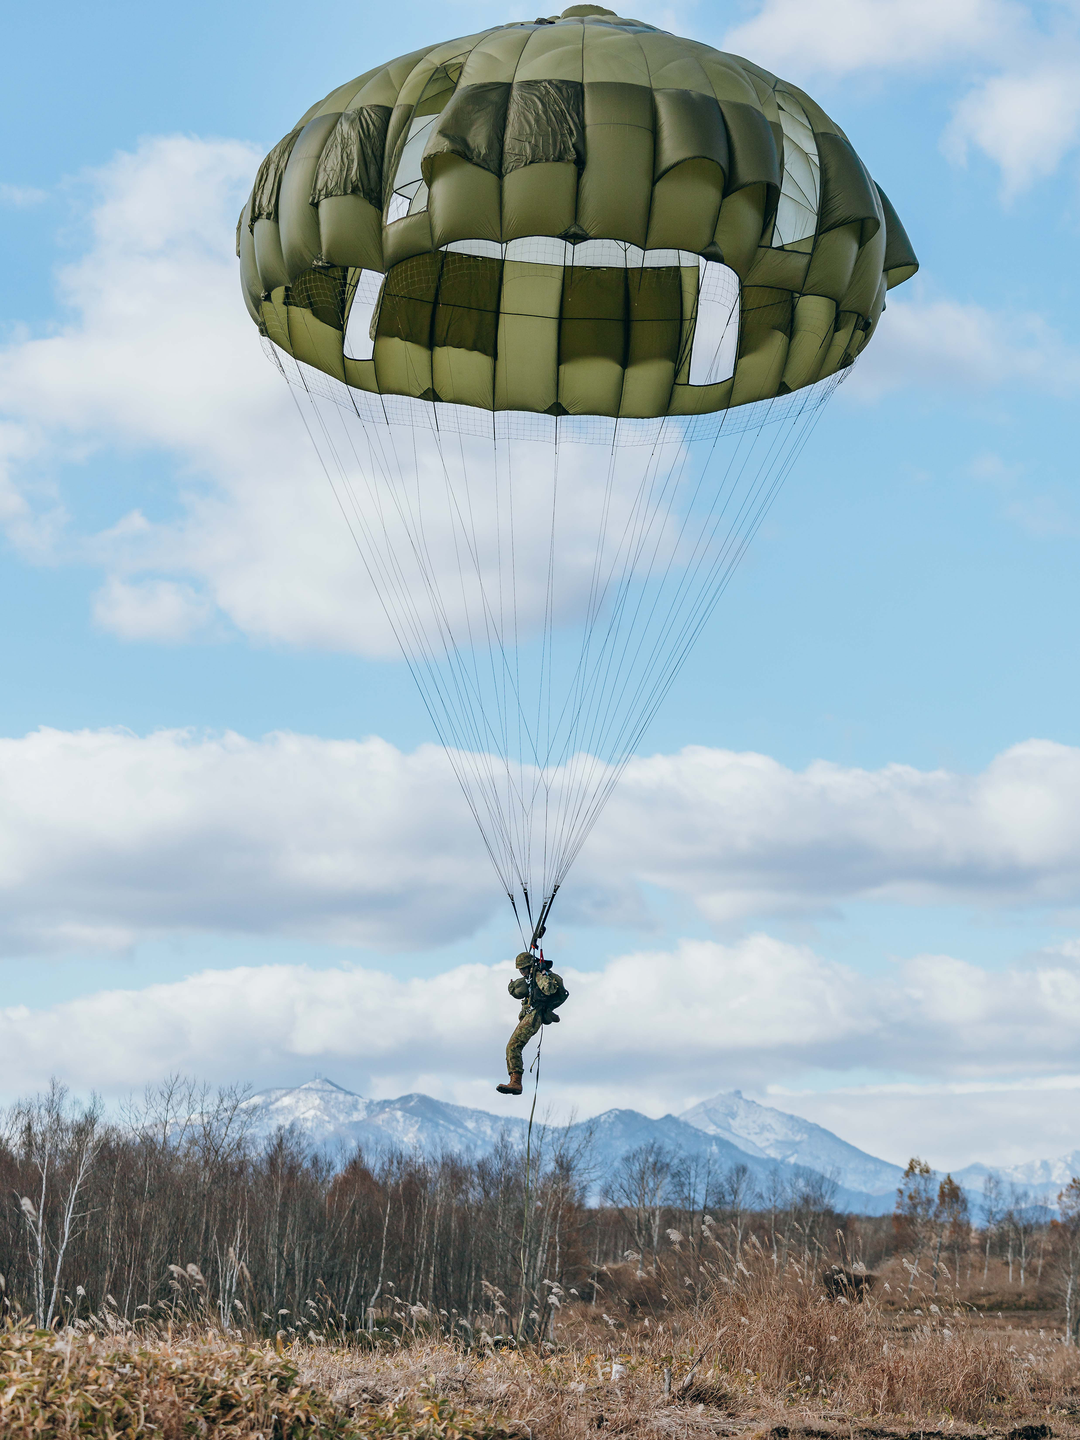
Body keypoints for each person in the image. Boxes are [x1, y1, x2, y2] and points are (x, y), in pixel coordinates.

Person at [496, 951, 568, 1095]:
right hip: (530, 1015)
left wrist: (542, 973)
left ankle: (516, 1082)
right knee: (512, 1047)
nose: (522, 973)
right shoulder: (530, 979)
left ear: (530, 966)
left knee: (513, 1046)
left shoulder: (539, 976)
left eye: (523, 969)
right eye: (520, 970)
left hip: (535, 1015)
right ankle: (514, 1081)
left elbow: (549, 989)